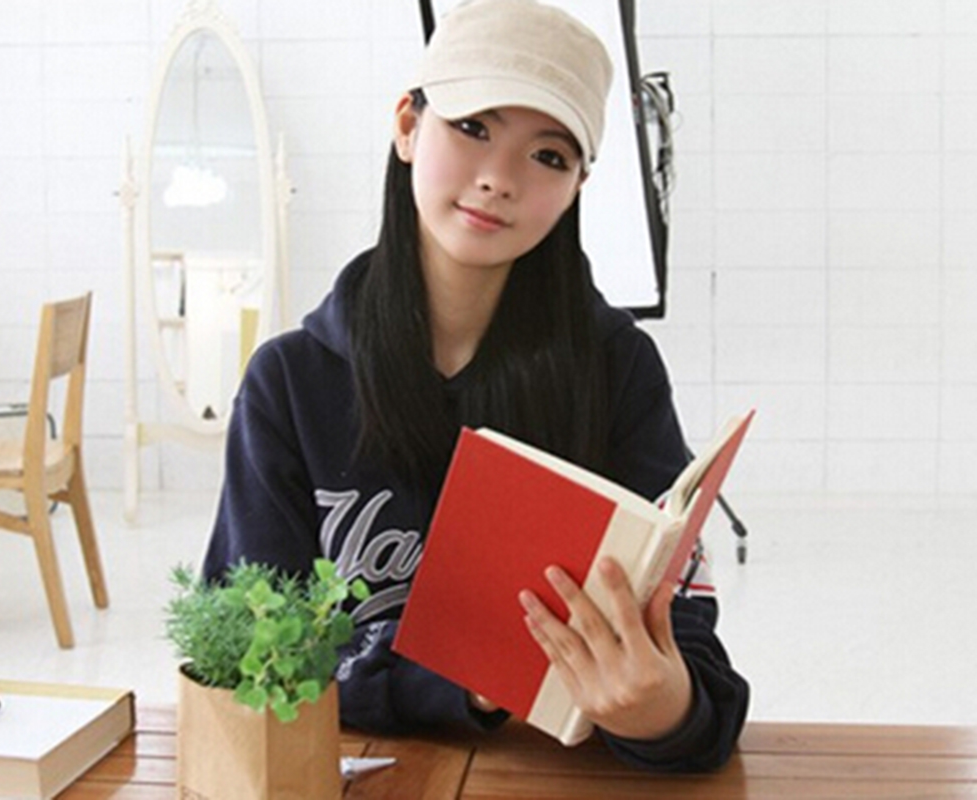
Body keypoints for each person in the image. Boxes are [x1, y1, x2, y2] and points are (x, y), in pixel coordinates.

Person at [202, 0, 749, 772]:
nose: (498, 179)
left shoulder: (617, 369)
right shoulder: (291, 385)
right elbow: (241, 658)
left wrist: (665, 713)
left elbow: (691, 660)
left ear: (578, 184)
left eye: (548, 156)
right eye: (472, 127)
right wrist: (458, 682)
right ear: (407, 125)